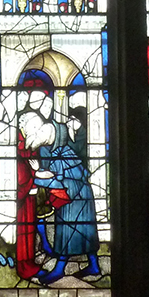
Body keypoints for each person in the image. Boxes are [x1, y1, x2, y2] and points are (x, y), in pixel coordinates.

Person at [37, 107, 100, 283]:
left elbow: (58, 181)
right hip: (81, 195)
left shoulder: (61, 154)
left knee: (68, 232)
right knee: (85, 231)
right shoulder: (62, 152)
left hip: (74, 197)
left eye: (47, 134)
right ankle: (94, 266)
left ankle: (59, 270)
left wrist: (36, 177)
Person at [14, 73, 57, 281]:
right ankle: (24, 266)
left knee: (29, 230)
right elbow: (21, 169)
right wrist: (33, 175)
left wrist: (37, 172)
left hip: (30, 193)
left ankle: (29, 261)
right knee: (23, 231)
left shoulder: (30, 141)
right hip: (23, 195)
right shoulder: (20, 142)